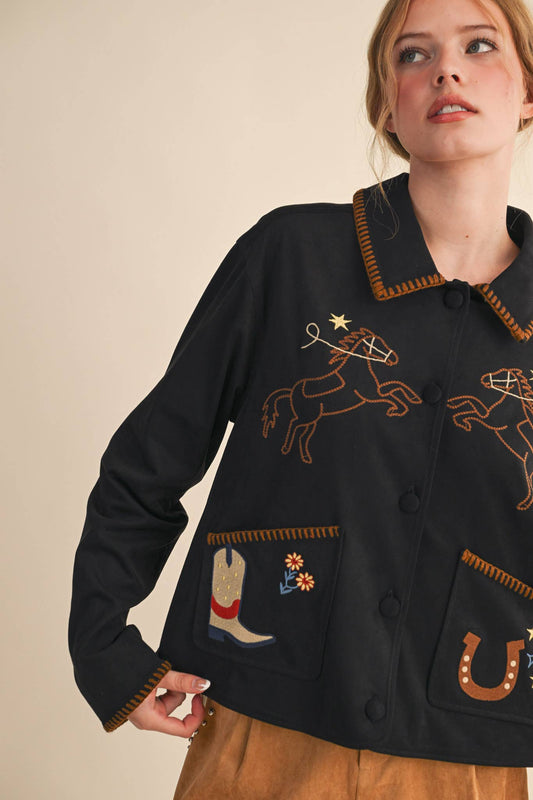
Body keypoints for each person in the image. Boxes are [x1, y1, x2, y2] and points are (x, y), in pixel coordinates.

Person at [68, 0, 533, 797]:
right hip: (262, 731)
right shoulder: (291, 257)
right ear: (385, 106)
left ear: (527, 90)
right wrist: (105, 652)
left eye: (479, 45)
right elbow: (150, 460)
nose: (446, 71)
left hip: (468, 757)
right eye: (412, 54)